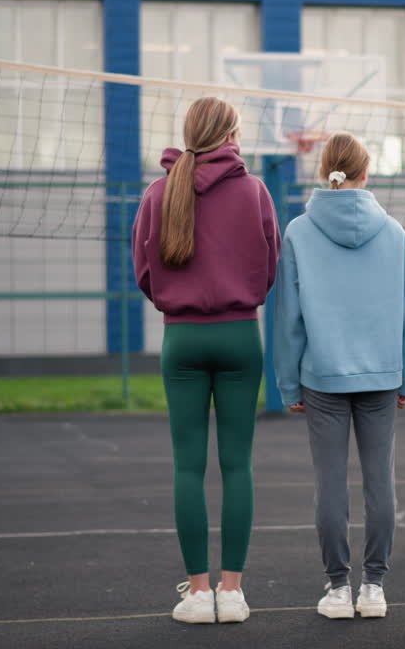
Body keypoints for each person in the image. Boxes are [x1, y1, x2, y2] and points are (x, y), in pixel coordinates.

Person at [132, 96, 280, 624]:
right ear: (231, 134)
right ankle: (233, 593)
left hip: (183, 338)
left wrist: (180, 301)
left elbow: (144, 271)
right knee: (237, 464)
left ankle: (198, 594)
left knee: (188, 466)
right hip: (241, 334)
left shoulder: (158, 191)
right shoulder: (255, 190)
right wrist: (239, 297)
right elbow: (270, 261)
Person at [273, 131, 405, 619]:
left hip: (322, 378)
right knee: (381, 481)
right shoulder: (394, 233)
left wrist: (288, 383)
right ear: (366, 171)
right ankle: (374, 586)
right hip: (381, 376)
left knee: (330, 484)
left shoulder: (298, 231)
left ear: (323, 171)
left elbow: (288, 317)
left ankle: (338, 587)